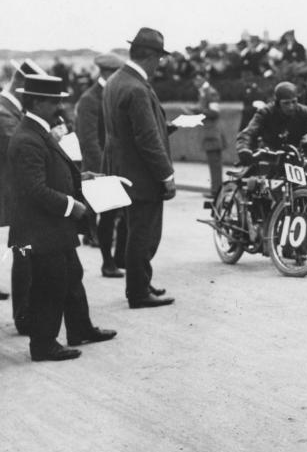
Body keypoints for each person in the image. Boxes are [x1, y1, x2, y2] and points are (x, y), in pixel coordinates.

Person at [8, 74, 116, 361]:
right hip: (40, 229)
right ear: (37, 102)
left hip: (52, 226)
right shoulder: (28, 138)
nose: (58, 107)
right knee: (50, 284)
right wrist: (72, 206)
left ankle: (80, 328)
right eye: (53, 101)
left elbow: (51, 174)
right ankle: (43, 345)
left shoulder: (37, 132)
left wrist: (81, 179)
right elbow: (35, 189)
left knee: (71, 275)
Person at [102, 27, 177, 309]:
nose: (160, 65)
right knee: (144, 234)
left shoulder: (115, 82)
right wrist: (166, 174)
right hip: (142, 176)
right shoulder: (136, 88)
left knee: (136, 230)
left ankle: (141, 282)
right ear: (153, 57)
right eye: (160, 58)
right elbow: (146, 139)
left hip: (123, 170)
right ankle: (138, 291)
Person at [0, 59, 44, 333]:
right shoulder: (4, 113)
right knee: (24, 253)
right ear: (21, 89)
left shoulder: (9, 111)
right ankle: (24, 315)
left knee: (26, 252)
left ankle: (27, 313)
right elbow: (21, 148)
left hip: (16, 192)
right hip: (13, 194)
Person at [75, 53, 128, 278]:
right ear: (108, 72)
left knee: (123, 215)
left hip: (119, 165)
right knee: (107, 217)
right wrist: (101, 173)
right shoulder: (90, 99)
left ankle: (119, 259)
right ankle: (108, 263)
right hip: (102, 168)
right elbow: (88, 140)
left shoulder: (115, 93)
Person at [236, 81, 307, 163]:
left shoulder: (305, 112)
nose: (291, 107)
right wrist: (244, 149)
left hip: (296, 158)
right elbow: (249, 132)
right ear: (277, 103)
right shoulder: (266, 112)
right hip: (269, 156)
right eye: (286, 103)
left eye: (294, 102)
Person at [187, 70, 226, 198]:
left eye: (197, 79)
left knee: (215, 163)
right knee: (213, 163)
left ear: (204, 78)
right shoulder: (204, 93)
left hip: (213, 133)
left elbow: (215, 112)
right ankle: (216, 190)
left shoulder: (210, 92)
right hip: (209, 132)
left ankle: (216, 191)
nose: (195, 82)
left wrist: (198, 110)